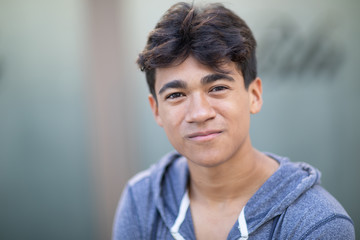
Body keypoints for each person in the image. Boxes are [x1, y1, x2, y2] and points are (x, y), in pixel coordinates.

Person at [113, 2, 355, 239]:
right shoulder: (142, 201)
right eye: (176, 95)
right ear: (156, 110)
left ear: (255, 96)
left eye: (217, 88)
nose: (199, 113)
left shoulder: (316, 223)